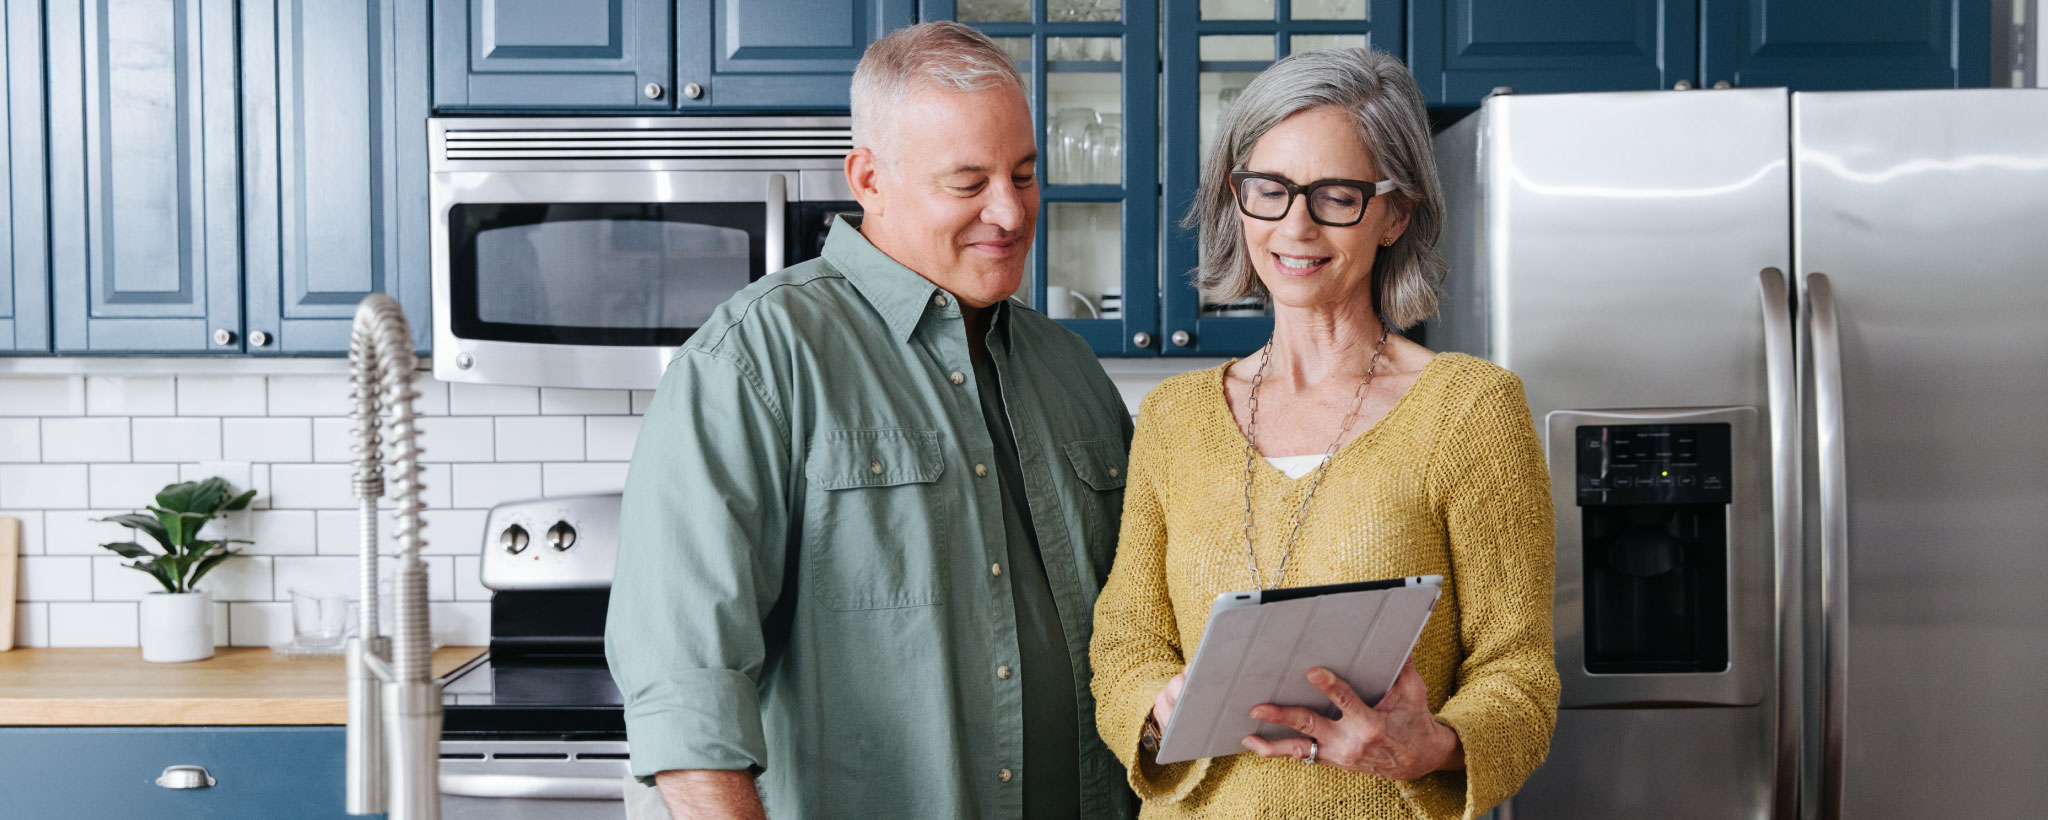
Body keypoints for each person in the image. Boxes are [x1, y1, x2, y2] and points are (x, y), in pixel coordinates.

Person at [606, 21, 1137, 820]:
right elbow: (687, 699)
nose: (1010, 211)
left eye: (1024, 175)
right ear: (868, 177)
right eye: (968, 182)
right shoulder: (756, 361)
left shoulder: (1070, 368)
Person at [1088, 48, 1559, 819]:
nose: (1294, 226)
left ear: (1395, 213)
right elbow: (1125, 643)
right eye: (1268, 191)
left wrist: (1434, 743)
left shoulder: (1469, 410)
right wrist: (1156, 701)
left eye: (1336, 195)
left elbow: (1520, 674)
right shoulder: (1175, 419)